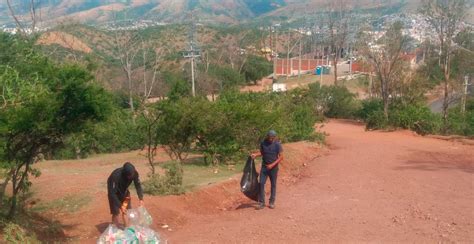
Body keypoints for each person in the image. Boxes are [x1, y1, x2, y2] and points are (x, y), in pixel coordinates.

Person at [251, 130, 283, 210]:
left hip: (273, 168)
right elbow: (262, 152)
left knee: (273, 185)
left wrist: (272, 165)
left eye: (272, 138)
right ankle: (261, 202)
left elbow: (281, 157)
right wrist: (255, 155)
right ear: (267, 136)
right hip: (264, 167)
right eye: (269, 137)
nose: (270, 139)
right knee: (261, 183)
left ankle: (271, 202)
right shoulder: (263, 143)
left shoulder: (277, 145)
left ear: (275, 137)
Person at [107, 162, 144, 227]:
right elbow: (112, 193)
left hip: (124, 191)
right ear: (125, 174)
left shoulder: (134, 173)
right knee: (116, 212)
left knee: (127, 210)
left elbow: (138, 185)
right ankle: (115, 229)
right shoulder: (115, 176)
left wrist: (141, 199)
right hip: (114, 192)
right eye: (130, 176)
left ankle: (128, 228)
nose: (132, 176)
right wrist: (120, 206)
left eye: (132, 175)